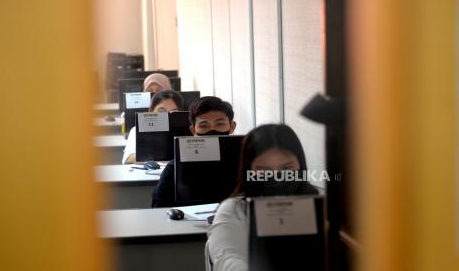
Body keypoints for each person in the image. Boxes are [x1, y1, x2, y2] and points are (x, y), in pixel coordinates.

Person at [206, 124, 318, 271]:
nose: (277, 177)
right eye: (264, 170)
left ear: (300, 165)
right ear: (249, 170)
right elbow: (226, 258)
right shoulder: (235, 209)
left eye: (286, 168)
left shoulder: (319, 204)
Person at [151, 96, 237, 207]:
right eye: (204, 125)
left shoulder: (247, 163)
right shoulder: (175, 168)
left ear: (232, 127)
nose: (212, 130)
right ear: (193, 130)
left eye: (219, 124)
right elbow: (158, 209)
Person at [122, 90, 184, 164]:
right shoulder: (136, 130)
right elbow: (129, 158)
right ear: (151, 111)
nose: (167, 116)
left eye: (173, 112)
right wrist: (161, 161)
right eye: (161, 111)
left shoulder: (188, 131)